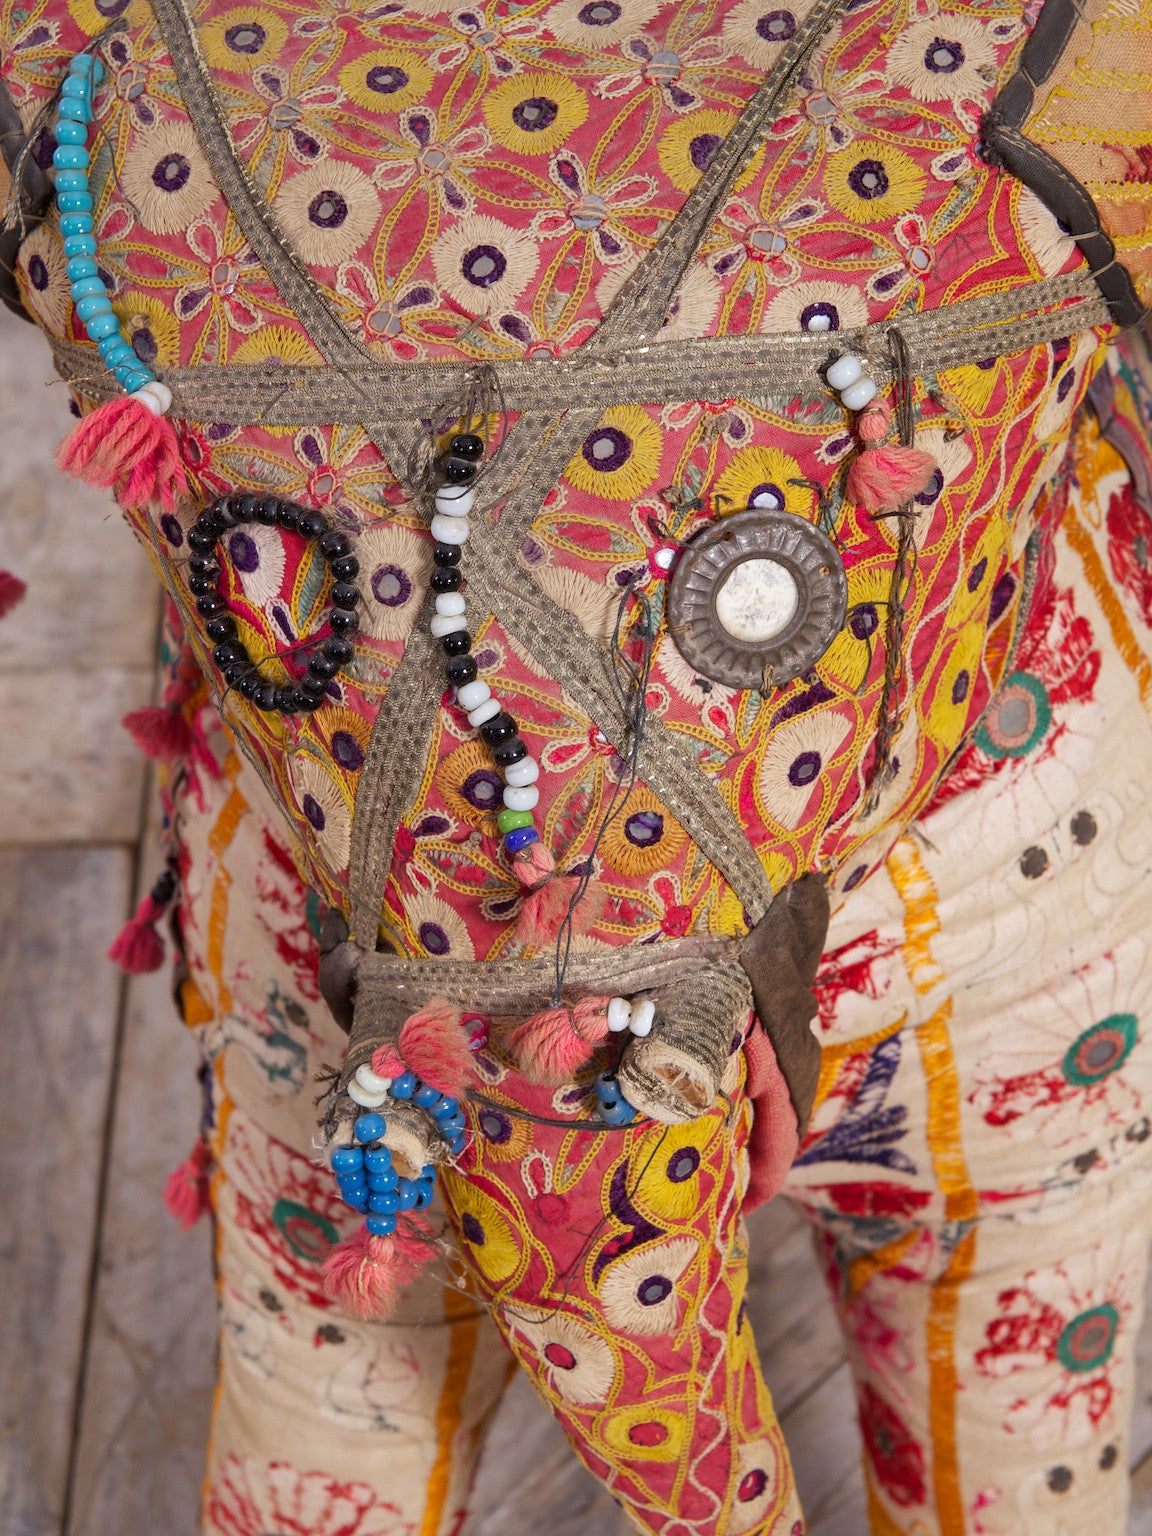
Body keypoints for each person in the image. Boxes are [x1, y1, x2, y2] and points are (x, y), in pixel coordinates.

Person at [2, 0, 1151, 1528]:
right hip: (993, 853)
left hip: (358, 914)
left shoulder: (127, 93)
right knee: (1012, 1374)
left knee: (335, 1397)